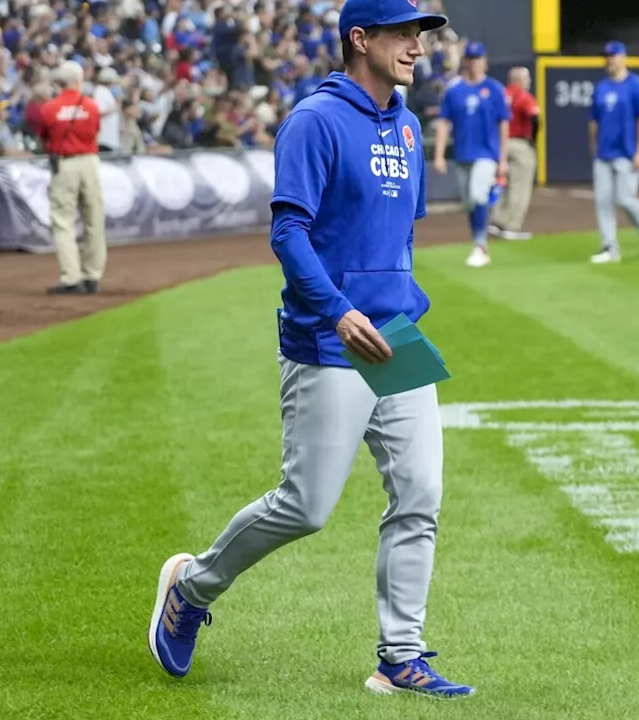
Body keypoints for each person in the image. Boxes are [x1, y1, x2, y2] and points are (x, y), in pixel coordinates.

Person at [147, 0, 477, 699]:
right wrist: (338, 310)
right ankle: (191, 588)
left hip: (398, 338)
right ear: (361, 38)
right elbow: (288, 233)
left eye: (421, 35)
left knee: (420, 495)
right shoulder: (314, 120)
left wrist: (398, 306)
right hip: (329, 340)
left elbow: (398, 235)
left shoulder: (411, 127)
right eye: (404, 33)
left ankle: (402, 654)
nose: (418, 46)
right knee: (306, 506)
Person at [433, 40, 509, 268]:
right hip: (463, 153)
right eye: (471, 58)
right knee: (469, 204)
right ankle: (478, 241)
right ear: (465, 61)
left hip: (486, 153)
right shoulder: (454, 91)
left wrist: (503, 159)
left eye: (478, 58)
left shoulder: (495, 89)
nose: (474, 63)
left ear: (484, 61)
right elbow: (444, 123)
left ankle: (480, 245)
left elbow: (504, 124)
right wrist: (438, 154)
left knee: (477, 196)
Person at [588, 40, 639, 264]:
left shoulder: (636, 85)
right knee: (603, 201)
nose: (609, 60)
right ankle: (610, 247)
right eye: (607, 56)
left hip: (627, 152)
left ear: (623, 57)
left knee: (625, 198)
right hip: (604, 154)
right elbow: (593, 121)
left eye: (613, 56)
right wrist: (593, 146)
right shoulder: (601, 88)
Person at [38, 61, 107, 295]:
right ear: (79, 80)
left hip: (65, 163)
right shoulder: (92, 106)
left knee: (63, 221)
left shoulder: (49, 108)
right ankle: (92, 275)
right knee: (94, 219)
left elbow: (44, 138)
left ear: (59, 82)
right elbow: (95, 131)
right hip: (89, 160)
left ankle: (71, 277)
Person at [489, 65, 539, 241]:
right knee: (520, 186)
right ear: (519, 79)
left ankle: (496, 221)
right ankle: (512, 225)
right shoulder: (524, 96)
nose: (529, 82)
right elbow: (535, 117)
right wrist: (533, 138)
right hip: (519, 143)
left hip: (501, 143)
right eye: (526, 78)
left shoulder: (501, 94)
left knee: (502, 183)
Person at [92, 67, 121, 154]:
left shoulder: (107, 91)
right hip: (103, 137)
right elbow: (99, 112)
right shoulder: (100, 91)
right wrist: (114, 109)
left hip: (110, 137)